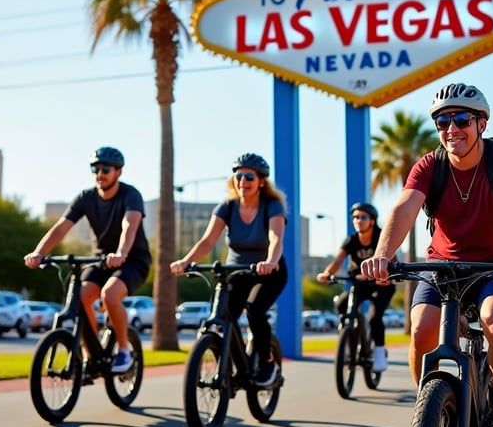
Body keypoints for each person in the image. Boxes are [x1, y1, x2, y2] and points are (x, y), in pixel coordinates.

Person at [360, 83, 493, 427]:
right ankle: (428, 407)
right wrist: (383, 254)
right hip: (444, 266)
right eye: (442, 122)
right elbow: (405, 208)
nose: (451, 129)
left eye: (461, 119)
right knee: (421, 330)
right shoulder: (431, 166)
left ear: (481, 124)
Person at [24, 146, 151, 374]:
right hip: (100, 260)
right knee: (79, 298)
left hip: (133, 260)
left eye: (106, 169)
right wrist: (39, 252)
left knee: (109, 295)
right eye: (95, 169)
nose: (100, 174)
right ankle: (92, 353)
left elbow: (129, 225)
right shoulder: (86, 197)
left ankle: (124, 350)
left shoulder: (131, 195)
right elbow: (61, 227)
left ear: (118, 172)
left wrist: (121, 253)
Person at [170, 152, 287, 387]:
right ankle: (238, 364)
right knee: (225, 316)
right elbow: (207, 241)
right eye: (238, 176)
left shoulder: (271, 206)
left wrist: (270, 261)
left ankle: (266, 361)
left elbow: (276, 238)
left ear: (261, 181)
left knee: (254, 311)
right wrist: (186, 260)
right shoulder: (227, 206)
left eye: (249, 177)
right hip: (237, 271)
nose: (243, 181)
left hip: (268, 271)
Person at [315, 202, 396, 373]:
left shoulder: (381, 237)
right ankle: (350, 336)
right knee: (341, 305)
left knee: (375, 318)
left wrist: (388, 277)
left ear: (372, 221)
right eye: (355, 217)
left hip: (382, 285)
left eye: (363, 217)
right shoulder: (351, 240)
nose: (358, 220)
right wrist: (327, 273)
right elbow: (337, 261)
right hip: (360, 283)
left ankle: (379, 352)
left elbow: (393, 260)